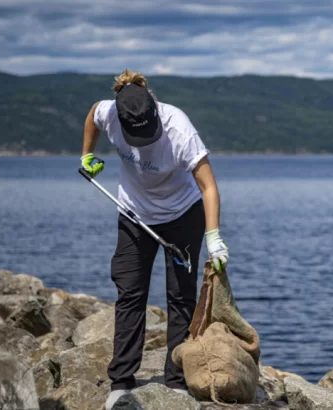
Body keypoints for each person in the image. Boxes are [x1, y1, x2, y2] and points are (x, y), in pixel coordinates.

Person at [80, 69, 229, 410]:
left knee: (180, 296)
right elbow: (92, 114)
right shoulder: (109, 112)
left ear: (155, 110)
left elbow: (209, 187)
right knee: (130, 293)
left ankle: (176, 381)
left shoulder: (179, 128)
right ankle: (121, 382)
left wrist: (214, 238)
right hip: (134, 214)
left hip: (182, 214)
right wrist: (86, 154)